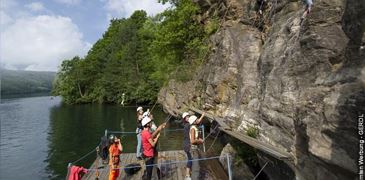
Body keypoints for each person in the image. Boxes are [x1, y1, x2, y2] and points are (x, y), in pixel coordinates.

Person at [187, 114, 205, 180]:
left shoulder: (194, 127)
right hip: (194, 149)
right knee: (196, 167)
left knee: (196, 165)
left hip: (195, 148)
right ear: (194, 122)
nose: (197, 120)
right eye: (196, 119)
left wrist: (202, 116)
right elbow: (192, 141)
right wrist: (200, 141)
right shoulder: (193, 129)